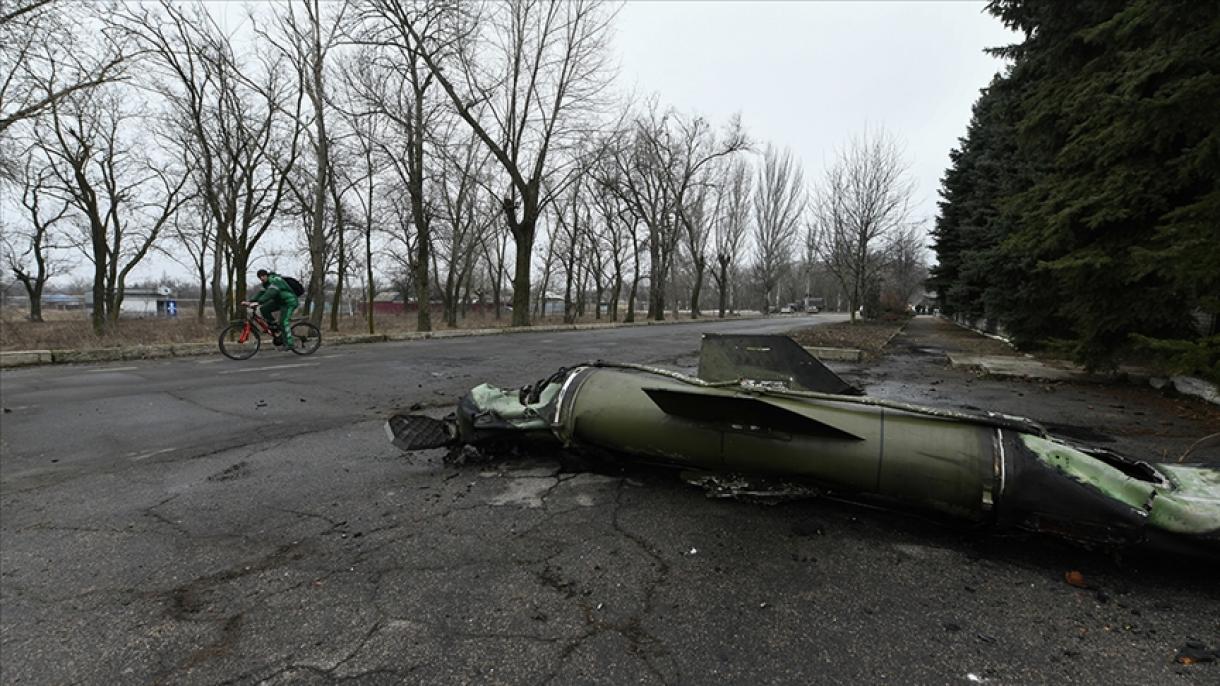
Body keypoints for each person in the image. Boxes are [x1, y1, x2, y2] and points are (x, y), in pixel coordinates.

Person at [242, 269, 299, 349]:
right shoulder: (266, 284)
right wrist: (250, 302)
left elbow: (271, 293)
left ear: (266, 275)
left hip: (289, 302)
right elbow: (261, 293)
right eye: (260, 277)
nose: (261, 278)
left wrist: (259, 302)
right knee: (264, 309)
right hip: (280, 301)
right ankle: (274, 326)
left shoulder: (275, 280)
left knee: (284, 321)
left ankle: (290, 344)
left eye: (263, 276)